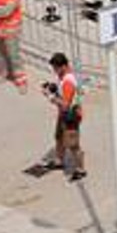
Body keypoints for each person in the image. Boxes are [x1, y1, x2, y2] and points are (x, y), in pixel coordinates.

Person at [43, 52, 84, 180]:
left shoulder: (68, 82)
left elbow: (65, 104)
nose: (54, 71)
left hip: (70, 116)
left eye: (55, 68)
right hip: (64, 114)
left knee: (73, 145)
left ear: (63, 66)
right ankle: (60, 161)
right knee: (59, 137)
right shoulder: (66, 76)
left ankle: (80, 170)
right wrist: (54, 89)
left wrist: (50, 96)